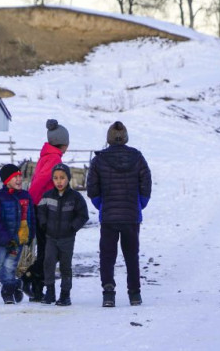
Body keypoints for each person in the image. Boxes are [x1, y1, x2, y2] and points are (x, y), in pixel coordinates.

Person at [86, 121, 152, 307]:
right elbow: (146, 183)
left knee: (107, 256)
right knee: (131, 255)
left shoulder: (99, 160)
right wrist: (139, 204)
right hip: (131, 216)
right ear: (125, 138)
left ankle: (108, 293)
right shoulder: (137, 157)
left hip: (108, 216)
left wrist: (101, 205)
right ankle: (135, 294)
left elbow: (92, 188)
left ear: (108, 139)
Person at [21, 119, 69, 302]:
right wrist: (32, 202)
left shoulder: (47, 156)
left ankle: (36, 289)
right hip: (45, 209)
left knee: (46, 250)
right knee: (49, 251)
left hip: (42, 207)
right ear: (63, 143)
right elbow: (40, 181)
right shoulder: (54, 159)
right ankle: (28, 277)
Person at [37, 163, 89, 306]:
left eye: (62, 178)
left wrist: (72, 227)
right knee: (48, 263)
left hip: (67, 238)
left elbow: (83, 215)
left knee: (65, 266)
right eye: (55, 178)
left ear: (68, 178)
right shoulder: (47, 196)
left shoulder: (75, 197)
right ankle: (50, 291)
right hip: (51, 237)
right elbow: (41, 211)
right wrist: (44, 224)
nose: (59, 181)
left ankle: (65, 294)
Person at [0, 164, 36, 304]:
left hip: (18, 239)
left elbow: (31, 216)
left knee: (9, 266)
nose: (19, 179)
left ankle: (7, 293)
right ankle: (17, 284)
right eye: (15, 177)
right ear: (6, 181)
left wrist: (31, 234)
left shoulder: (25, 196)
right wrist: (2, 234)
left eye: (20, 176)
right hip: (4, 239)